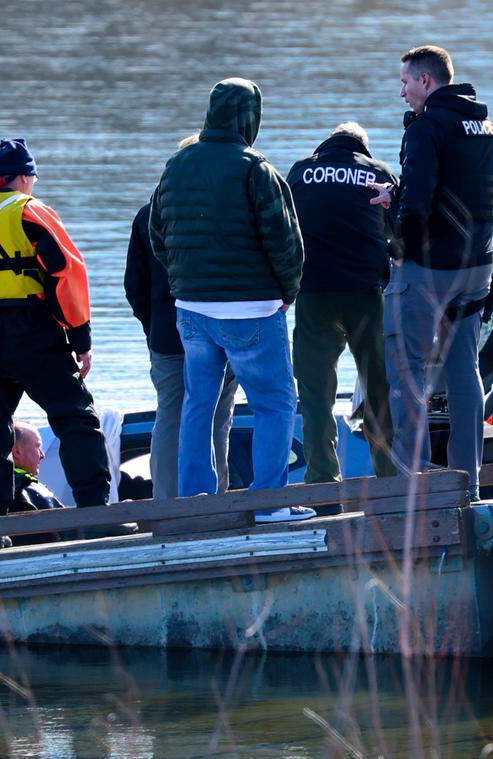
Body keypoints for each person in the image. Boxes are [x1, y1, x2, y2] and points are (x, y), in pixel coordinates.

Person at [149, 78, 313, 523]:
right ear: (249, 117)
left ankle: (196, 504)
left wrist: (186, 281)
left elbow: (157, 237)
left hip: (192, 311)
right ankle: (269, 503)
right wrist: (287, 292)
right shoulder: (255, 168)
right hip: (252, 309)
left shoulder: (176, 165)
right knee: (275, 403)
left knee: (197, 406)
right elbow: (286, 242)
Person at [0, 138, 111, 516]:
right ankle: (96, 514)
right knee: (75, 416)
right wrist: (81, 338)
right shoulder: (32, 212)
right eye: (32, 176)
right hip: (32, 330)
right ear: (22, 177)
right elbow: (68, 274)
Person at [368, 45, 493, 500]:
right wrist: (399, 195)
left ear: (427, 81)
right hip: (477, 266)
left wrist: (399, 246)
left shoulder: (428, 128)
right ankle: (470, 484)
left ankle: (414, 488)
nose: (401, 92)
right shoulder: (485, 126)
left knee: (407, 372)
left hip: (430, 268)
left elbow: (422, 201)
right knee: (466, 371)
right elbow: (463, 191)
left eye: (405, 82)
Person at [125, 137, 238, 498]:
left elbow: (134, 287)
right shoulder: (222, 209)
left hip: (167, 335)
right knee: (217, 419)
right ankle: (215, 502)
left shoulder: (147, 215)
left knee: (170, 416)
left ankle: (167, 503)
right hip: (219, 333)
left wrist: (153, 326)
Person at [285, 121, 398, 485]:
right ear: (361, 146)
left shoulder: (301, 173)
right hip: (364, 297)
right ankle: (388, 475)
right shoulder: (378, 172)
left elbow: (285, 229)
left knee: (316, 391)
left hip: (314, 295)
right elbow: (398, 230)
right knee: (378, 387)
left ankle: (321, 478)